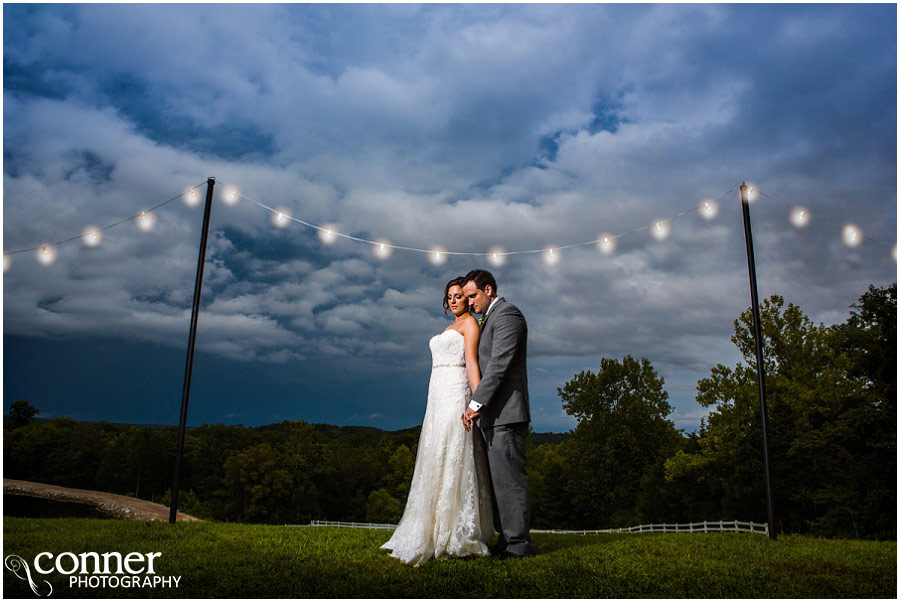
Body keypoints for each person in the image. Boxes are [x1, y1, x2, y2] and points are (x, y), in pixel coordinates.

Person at [380, 276, 494, 566]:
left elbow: (471, 361)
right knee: (434, 453)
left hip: (456, 391)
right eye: (450, 296)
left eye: (459, 295)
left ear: (468, 298)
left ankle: (453, 529)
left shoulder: (470, 324)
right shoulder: (449, 327)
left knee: (453, 451)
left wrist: (476, 401)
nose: (454, 300)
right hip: (436, 395)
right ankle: (427, 526)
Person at [461, 269, 535, 559]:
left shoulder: (508, 315)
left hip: (507, 414)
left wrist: (475, 404)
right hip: (496, 417)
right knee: (500, 484)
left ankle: (519, 545)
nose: (469, 303)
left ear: (488, 289)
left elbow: (499, 366)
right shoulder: (491, 317)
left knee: (511, 483)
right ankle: (508, 540)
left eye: (472, 296)